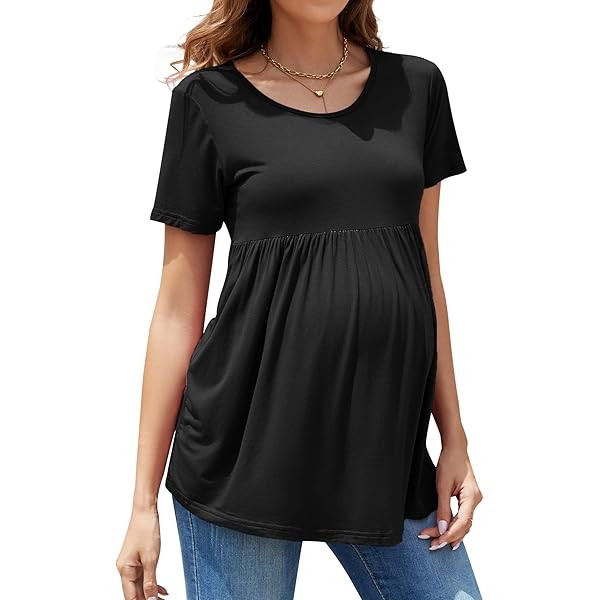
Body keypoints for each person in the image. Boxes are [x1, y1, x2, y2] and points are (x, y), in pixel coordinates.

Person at [116, 1, 484, 598]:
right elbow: (178, 310)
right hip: (244, 454)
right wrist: (142, 502)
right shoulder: (208, 101)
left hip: (383, 451)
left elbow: (427, 276)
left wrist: (455, 439)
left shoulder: (416, 87)